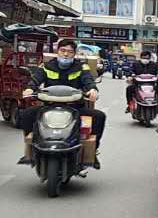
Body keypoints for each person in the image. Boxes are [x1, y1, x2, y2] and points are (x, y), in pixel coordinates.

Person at [18, 38, 105, 168]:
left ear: (74, 54)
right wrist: (30, 88)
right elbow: (36, 79)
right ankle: (30, 149)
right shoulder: (46, 66)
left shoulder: (81, 67)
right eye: (63, 50)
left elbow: (88, 81)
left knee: (99, 116)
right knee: (26, 114)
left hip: (75, 108)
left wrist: (92, 90)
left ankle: (92, 152)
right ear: (57, 51)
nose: (65, 54)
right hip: (49, 107)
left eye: (69, 52)